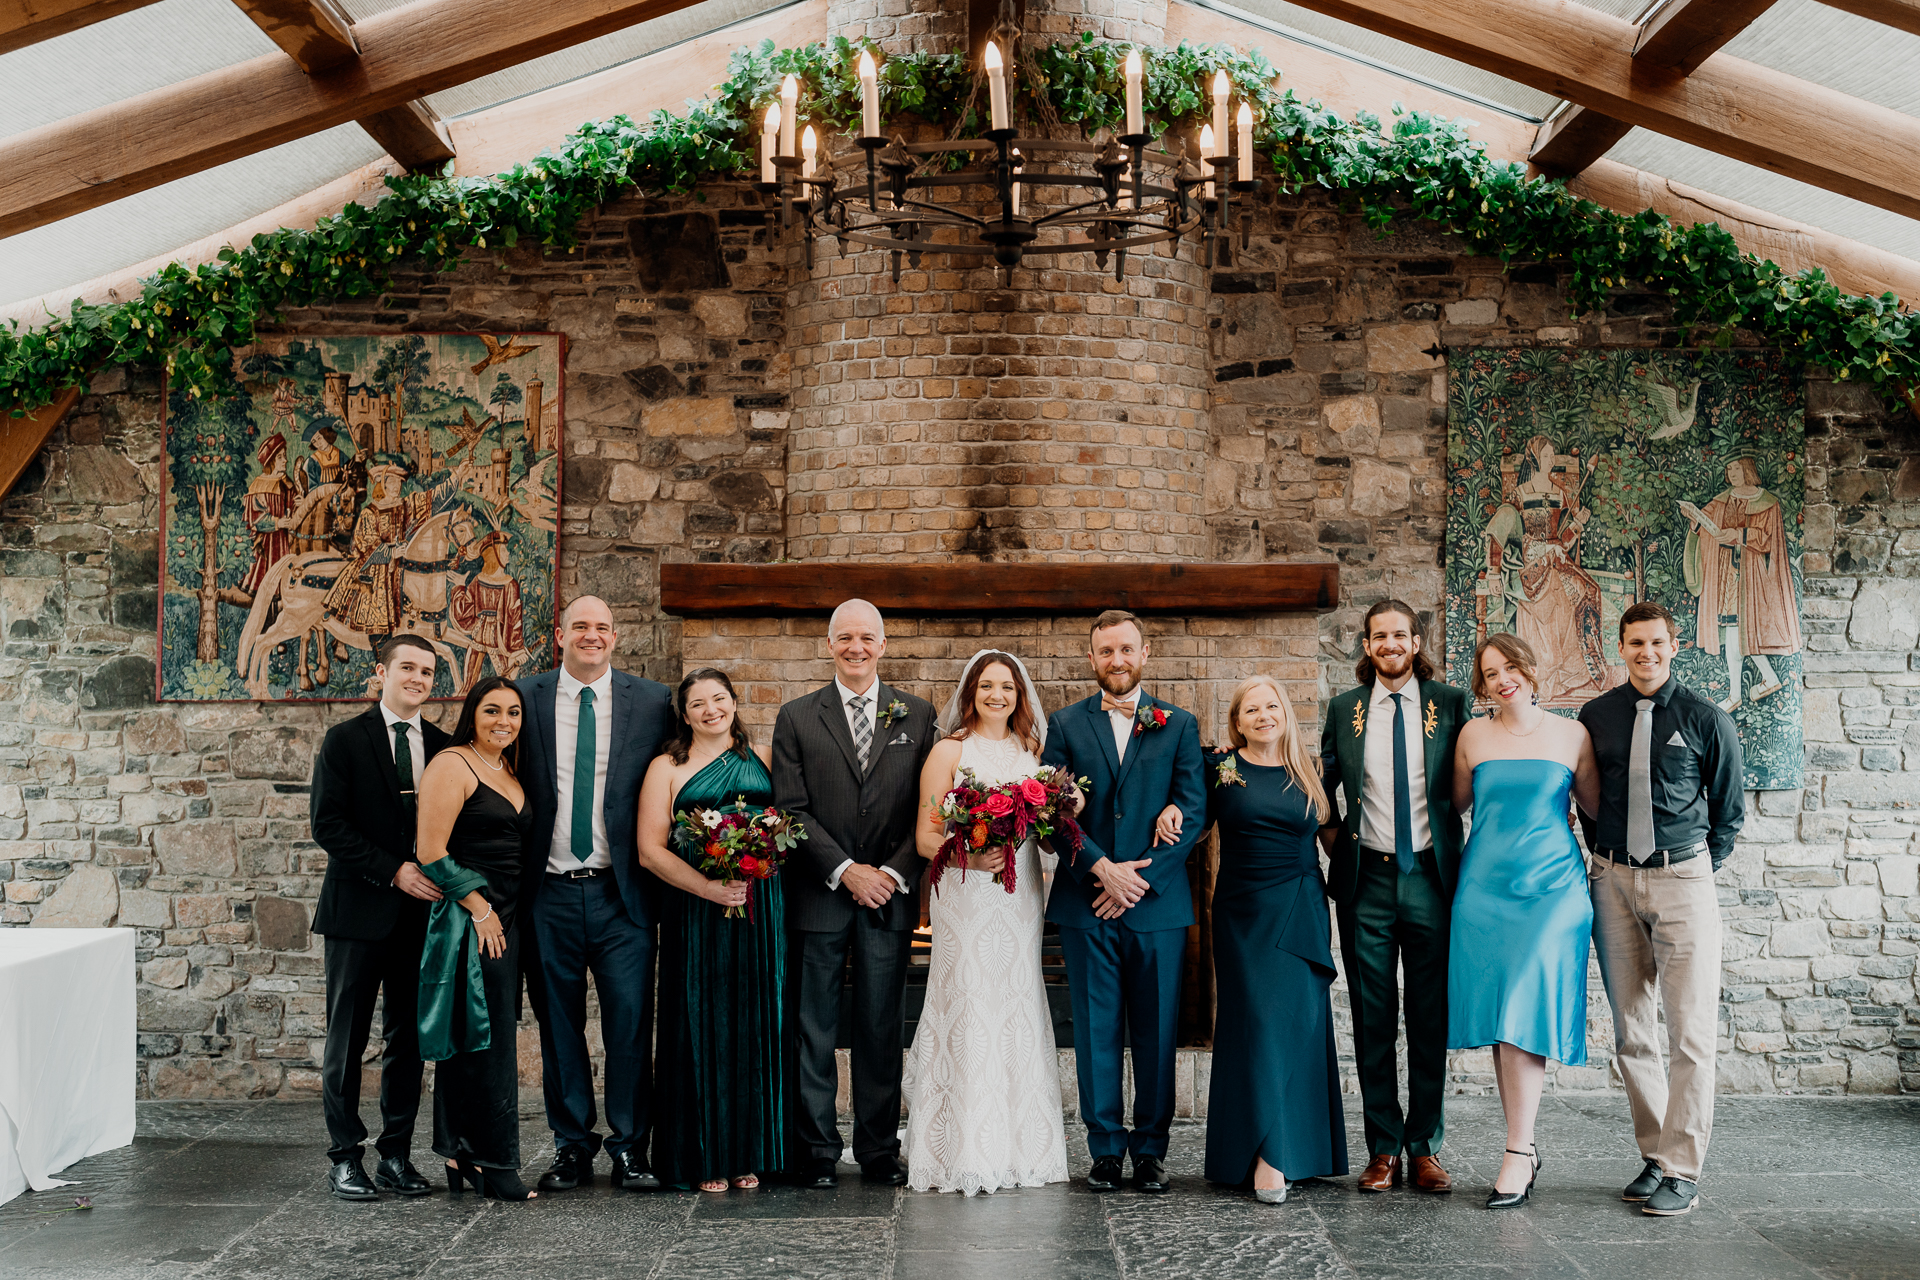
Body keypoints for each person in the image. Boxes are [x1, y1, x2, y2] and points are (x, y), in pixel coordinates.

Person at [1578, 601, 1745, 1217]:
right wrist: (1606, 862)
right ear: (1619, 648)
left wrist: (1691, 868)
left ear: (1674, 646)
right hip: (1613, 880)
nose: (1645, 653)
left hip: (1682, 879)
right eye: (1634, 643)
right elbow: (1587, 793)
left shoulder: (1705, 717)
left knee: (1691, 1032)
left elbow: (1728, 810)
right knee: (1632, 1029)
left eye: (1656, 643)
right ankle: (1656, 1154)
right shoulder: (1596, 716)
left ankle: (1684, 1167)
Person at [771, 599, 937, 1189]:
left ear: (884, 645)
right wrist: (845, 870)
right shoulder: (796, 716)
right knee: (812, 1025)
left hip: (889, 897)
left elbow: (927, 807)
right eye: (845, 638)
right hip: (820, 895)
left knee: (879, 1026)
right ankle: (816, 1150)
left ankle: (875, 1149)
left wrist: (889, 874)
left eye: (867, 638)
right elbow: (790, 810)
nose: (856, 648)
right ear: (830, 644)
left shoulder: (917, 715)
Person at [1039, 610, 1204, 1195]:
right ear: (1092, 658)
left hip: (1155, 906)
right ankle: (1105, 1148)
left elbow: (1193, 809)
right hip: (1087, 902)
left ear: (1145, 651)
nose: (1117, 660)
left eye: (1126, 649)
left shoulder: (1178, 724)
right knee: (1096, 1030)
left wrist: (1139, 880)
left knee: (1157, 1031)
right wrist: (1102, 870)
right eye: (1106, 651)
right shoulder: (1064, 725)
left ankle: (1152, 1150)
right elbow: (1048, 811)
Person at [516, 596, 677, 1192]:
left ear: (616, 636)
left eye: (601, 627)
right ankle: (572, 1147)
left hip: (622, 893)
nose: (591, 636)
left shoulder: (654, 701)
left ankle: (631, 1147)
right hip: (546, 892)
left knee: (630, 1023)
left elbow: (691, 767)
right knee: (558, 1025)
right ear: (559, 634)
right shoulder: (524, 696)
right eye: (579, 626)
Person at [1317, 600, 1472, 1194]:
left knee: (1429, 1017)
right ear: (1366, 644)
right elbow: (1323, 790)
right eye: (1379, 636)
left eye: (1399, 635)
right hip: (1369, 882)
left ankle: (1425, 1146)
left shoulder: (1450, 704)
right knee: (1372, 1016)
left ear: (1415, 640)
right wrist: (1340, 851)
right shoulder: (1345, 709)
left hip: (1432, 878)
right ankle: (1382, 1146)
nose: (1390, 644)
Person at [904, 649, 1070, 1196]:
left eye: (1008, 687)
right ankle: (962, 1149)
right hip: (967, 895)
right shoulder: (948, 752)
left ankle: (1022, 1147)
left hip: (1019, 897)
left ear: (1020, 696)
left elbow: (1047, 831)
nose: (997, 695)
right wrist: (969, 857)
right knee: (970, 999)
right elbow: (927, 837)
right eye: (987, 686)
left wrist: (1063, 813)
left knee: (1017, 999)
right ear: (970, 692)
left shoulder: (1032, 752)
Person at [1448, 634, 1601, 1209]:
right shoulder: (1472, 736)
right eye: (1489, 673)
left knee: (1523, 1010)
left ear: (1530, 671)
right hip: (1484, 891)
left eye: (1509, 667)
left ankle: (1517, 1149)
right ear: (1481, 686)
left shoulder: (1572, 734)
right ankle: (1523, 1147)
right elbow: (1454, 807)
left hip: (1552, 892)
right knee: (1501, 1017)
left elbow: (1595, 810)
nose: (1501, 679)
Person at [637, 668, 793, 1192]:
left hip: (759, 908)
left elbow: (786, 827)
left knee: (756, 1020)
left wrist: (760, 863)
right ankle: (703, 1154)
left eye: (719, 699)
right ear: (684, 714)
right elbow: (649, 849)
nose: (710, 710)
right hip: (695, 910)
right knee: (700, 1020)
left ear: (733, 703)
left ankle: (751, 1151)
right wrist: (706, 888)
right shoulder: (667, 767)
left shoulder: (763, 757)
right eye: (698, 703)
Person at [309, 634, 449, 1201]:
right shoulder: (344, 740)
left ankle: (395, 1153)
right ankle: (345, 1156)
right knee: (345, 1039)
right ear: (381, 672)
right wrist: (393, 870)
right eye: (407, 668)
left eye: (428, 671)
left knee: (407, 1041)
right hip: (357, 911)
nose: (417, 678)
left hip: (419, 916)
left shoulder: (443, 747)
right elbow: (329, 825)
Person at [1199, 675, 1347, 1204]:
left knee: (1294, 1026)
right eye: (1252, 709)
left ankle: (1285, 1153)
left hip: (1301, 907)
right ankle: (1262, 1151)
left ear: (1285, 712)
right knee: (1256, 1025)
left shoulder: (1311, 769)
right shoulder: (1219, 767)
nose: (1264, 715)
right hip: (1243, 913)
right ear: (1236, 722)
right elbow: (1189, 815)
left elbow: (1334, 835)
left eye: (1272, 706)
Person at [414, 677, 535, 1200]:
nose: (503, 721)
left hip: (509, 916)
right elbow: (430, 851)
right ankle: (493, 1162)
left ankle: (464, 1154)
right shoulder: (452, 763)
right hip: (474, 919)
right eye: (491, 711)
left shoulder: (507, 768)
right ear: (472, 714)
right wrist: (480, 909)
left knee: (487, 1035)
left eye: (512, 712)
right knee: (484, 1041)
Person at [1483, 436, 1611, 701]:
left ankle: (1571, 669)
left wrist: (1578, 525)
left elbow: (1563, 539)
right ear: (1534, 459)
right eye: (1546, 457)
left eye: (1553, 456)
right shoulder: (1519, 495)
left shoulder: (1560, 493)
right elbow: (1500, 530)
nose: (1551, 461)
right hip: (1530, 561)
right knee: (1549, 601)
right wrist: (1494, 571)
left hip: (1557, 556)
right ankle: (1543, 672)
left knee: (1586, 589)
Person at [1682, 458, 1802, 711]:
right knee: (1735, 631)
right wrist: (1694, 519)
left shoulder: (1767, 502)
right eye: (1728, 469)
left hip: (1752, 577)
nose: (1731, 473)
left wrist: (1739, 535)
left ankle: (1756, 684)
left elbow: (1769, 540)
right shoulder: (1722, 499)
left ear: (1748, 468)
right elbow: (1705, 526)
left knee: (1745, 631)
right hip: (1726, 574)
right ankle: (1745, 689)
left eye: (1736, 468)